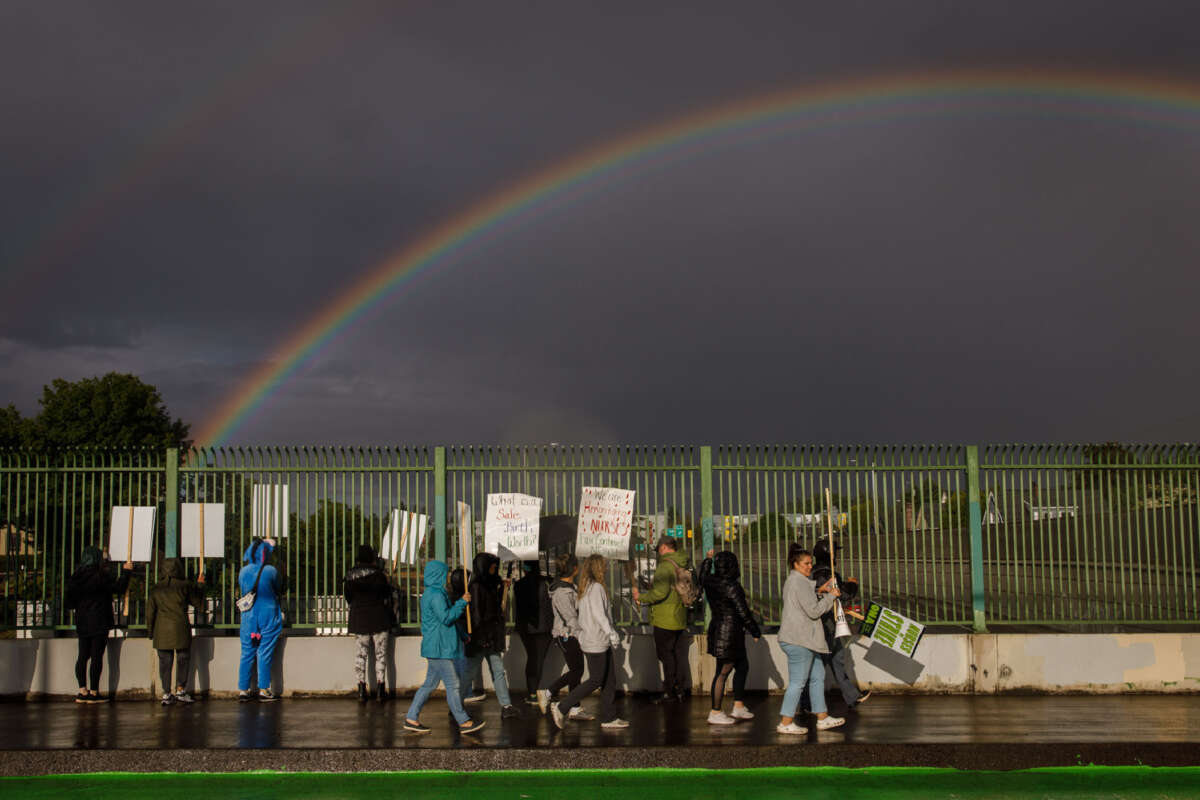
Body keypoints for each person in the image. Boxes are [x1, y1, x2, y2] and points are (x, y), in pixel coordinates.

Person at [403, 559, 485, 734]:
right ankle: (463, 721)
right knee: (453, 683)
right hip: (439, 648)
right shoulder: (437, 595)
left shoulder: (432, 593)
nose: (447, 577)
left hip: (436, 647)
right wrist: (462, 602)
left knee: (429, 685)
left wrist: (463, 636)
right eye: (444, 573)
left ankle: (411, 717)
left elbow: (446, 621)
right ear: (438, 575)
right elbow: (446, 618)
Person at [551, 554, 628, 729]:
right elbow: (599, 615)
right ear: (598, 568)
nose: (607, 568)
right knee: (596, 680)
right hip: (596, 640)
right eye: (604, 565)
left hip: (595, 639)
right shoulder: (596, 588)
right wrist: (611, 633)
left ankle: (609, 717)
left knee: (609, 679)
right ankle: (562, 706)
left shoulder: (586, 587)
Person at [776, 543, 844, 734]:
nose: (809, 567)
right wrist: (830, 597)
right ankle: (786, 722)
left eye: (810, 563)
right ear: (795, 565)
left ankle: (822, 717)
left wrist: (820, 591)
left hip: (800, 639)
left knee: (817, 676)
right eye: (805, 564)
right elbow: (814, 611)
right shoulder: (799, 582)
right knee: (798, 682)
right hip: (800, 640)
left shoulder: (794, 581)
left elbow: (804, 600)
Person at [698, 548, 762, 725]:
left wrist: (708, 560)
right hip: (730, 633)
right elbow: (743, 612)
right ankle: (715, 711)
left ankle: (738, 706)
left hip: (718, 629)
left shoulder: (710, 581)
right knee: (722, 672)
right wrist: (755, 631)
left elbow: (701, 576)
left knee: (742, 666)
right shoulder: (731, 586)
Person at [65, 546, 132, 703]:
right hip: (99, 621)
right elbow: (119, 588)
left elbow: (69, 602)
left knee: (82, 656)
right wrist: (126, 572)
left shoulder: (76, 577)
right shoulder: (100, 576)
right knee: (96, 657)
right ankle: (94, 692)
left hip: (82, 622)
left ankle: (82, 690)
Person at [631, 535, 692, 702]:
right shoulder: (683, 561)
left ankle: (669, 692)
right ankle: (680, 690)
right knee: (679, 655)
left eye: (658, 548)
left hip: (664, 619)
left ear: (664, 547)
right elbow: (670, 588)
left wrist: (641, 598)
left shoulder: (664, 566)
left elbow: (660, 593)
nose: (658, 552)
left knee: (666, 656)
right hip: (679, 616)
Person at [461, 552, 519, 718]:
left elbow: (497, 606)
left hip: (490, 637)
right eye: (493, 566)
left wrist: (503, 587)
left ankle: (506, 705)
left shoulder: (490, 584)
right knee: (469, 673)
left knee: (498, 671)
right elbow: (477, 614)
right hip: (481, 638)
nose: (495, 569)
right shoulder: (477, 586)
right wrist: (482, 636)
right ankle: (456, 704)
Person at [536, 553, 592, 720]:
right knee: (577, 669)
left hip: (572, 633)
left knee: (577, 669)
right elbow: (570, 617)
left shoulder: (570, 588)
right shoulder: (561, 592)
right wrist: (580, 634)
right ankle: (548, 692)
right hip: (566, 635)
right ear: (574, 569)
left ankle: (574, 707)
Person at [146, 557, 206, 705]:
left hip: (161, 630)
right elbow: (198, 603)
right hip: (181, 627)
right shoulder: (185, 585)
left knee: (165, 662)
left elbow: (150, 613)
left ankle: (166, 693)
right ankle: (181, 689)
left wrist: (150, 632)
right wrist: (200, 585)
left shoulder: (156, 588)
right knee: (183, 659)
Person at [343, 543, 392, 702]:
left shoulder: (350, 575)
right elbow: (386, 594)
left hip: (359, 619)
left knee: (360, 656)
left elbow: (348, 598)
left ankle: (361, 691)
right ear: (372, 557)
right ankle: (380, 690)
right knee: (381, 656)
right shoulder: (379, 575)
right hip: (379, 617)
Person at [237, 538, 283, 702]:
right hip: (268, 615)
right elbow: (279, 587)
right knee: (264, 652)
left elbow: (242, 589)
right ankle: (264, 688)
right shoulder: (271, 571)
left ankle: (243, 689)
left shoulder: (243, 571)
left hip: (248, 617)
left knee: (247, 653)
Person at [513, 559, 553, 704]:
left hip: (526, 628)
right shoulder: (547, 582)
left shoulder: (518, 585)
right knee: (538, 660)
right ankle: (534, 693)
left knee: (532, 659)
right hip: (545, 628)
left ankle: (532, 693)